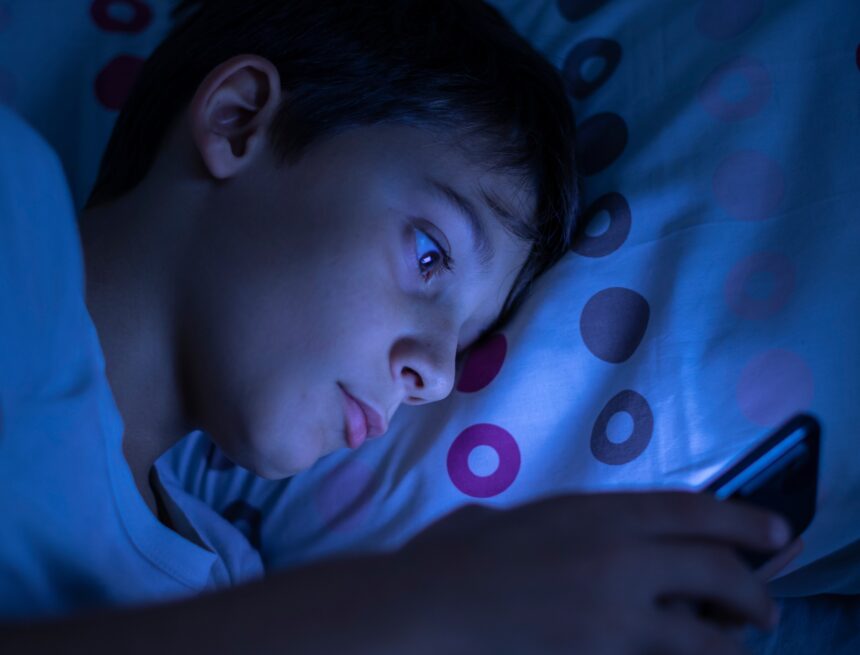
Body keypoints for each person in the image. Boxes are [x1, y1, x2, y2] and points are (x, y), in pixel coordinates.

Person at [0, 1, 802, 652]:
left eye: (463, 340)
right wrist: (412, 611)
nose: (440, 375)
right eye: (429, 255)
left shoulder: (225, 581)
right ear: (240, 121)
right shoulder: (13, 200)